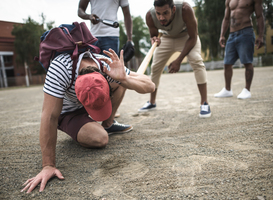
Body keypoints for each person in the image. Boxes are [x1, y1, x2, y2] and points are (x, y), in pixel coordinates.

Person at [20, 49, 155, 193]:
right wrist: (48, 165)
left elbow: (150, 85)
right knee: (100, 138)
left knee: (121, 83)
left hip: (86, 100)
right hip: (68, 112)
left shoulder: (106, 65)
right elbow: (49, 116)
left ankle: (108, 124)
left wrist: (124, 79)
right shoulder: (60, 69)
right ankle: (77, 125)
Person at [138, 0, 211, 118]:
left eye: (165, 13)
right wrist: (154, 39)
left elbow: (193, 37)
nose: (161, 17)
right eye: (158, 13)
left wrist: (179, 60)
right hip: (166, 38)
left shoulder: (185, 9)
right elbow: (153, 36)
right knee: (155, 66)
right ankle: (152, 102)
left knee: (196, 60)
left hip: (187, 37)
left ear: (173, 9)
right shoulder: (150, 16)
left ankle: (204, 103)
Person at [214, 0, 264, 99]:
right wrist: (222, 35)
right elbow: (226, 18)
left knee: (247, 62)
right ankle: (227, 90)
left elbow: (259, 16)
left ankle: (247, 90)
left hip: (246, 32)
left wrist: (261, 36)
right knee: (227, 63)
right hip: (232, 35)